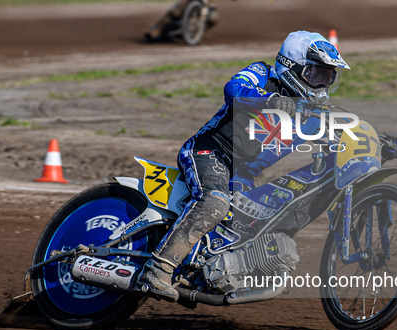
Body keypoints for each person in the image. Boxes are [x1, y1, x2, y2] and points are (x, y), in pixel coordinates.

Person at [136, 31, 350, 301]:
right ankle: (157, 268)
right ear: (293, 66)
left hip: (242, 176)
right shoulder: (262, 73)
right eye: (316, 75)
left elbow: (341, 132)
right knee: (214, 202)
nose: (321, 85)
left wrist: (378, 141)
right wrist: (269, 101)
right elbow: (233, 89)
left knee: (257, 224)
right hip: (208, 151)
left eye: (327, 77)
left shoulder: (309, 114)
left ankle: (209, 273)